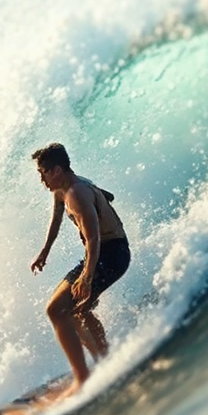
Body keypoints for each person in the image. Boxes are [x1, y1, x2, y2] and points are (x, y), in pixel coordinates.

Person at [31, 143, 131, 397]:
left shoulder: (76, 193)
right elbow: (56, 219)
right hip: (103, 253)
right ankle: (104, 361)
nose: (41, 178)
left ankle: (83, 378)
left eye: (43, 172)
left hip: (111, 254)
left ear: (56, 170)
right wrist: (45, 252)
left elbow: (94, 237)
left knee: (56, 310)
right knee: (75, 310)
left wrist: (87, 276)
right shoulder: (62, 188)